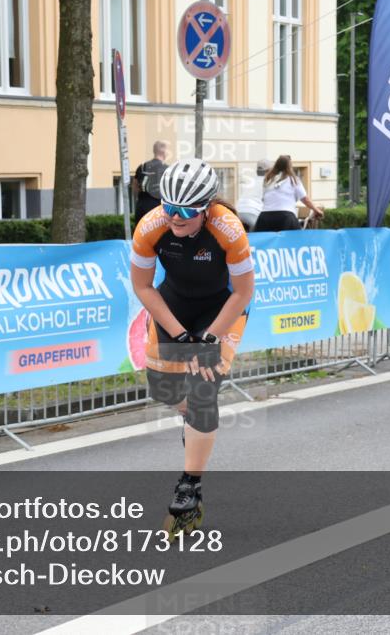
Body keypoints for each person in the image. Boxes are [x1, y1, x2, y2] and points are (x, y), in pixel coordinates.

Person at [130, 158, 255, 535]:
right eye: (169, 208)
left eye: (186, 212)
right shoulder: (150, 227)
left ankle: (190, 485)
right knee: (163, 388)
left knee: (202, 390)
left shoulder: (227, 228)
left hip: (222, 308)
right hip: (174, 305)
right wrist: (181, 336)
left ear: (206, 208)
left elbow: (243, 292)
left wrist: (208, 340)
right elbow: (143, 287)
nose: (175, 217)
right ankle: (196, 425)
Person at [254, 155, 323, 231]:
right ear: (289, 166)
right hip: (285, 217)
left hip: (265, 217)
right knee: (296, 241)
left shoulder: (268, 179)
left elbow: (264, 198)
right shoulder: (293, 180)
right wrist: (316, 210)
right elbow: (305, 199)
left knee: (265, 242)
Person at [132, 140, 169, 223]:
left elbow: (134, 187)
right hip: (158, 209)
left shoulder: (142, 167)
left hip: (141, 206)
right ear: (164, 152)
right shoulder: (167, 169)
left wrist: (139, 200)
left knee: (140, 233)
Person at [235, 159, 271, 231]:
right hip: (253, 212)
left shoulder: (250, 180)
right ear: (268, 171)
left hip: (238, 211)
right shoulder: (268, 182)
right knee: (256, 238)